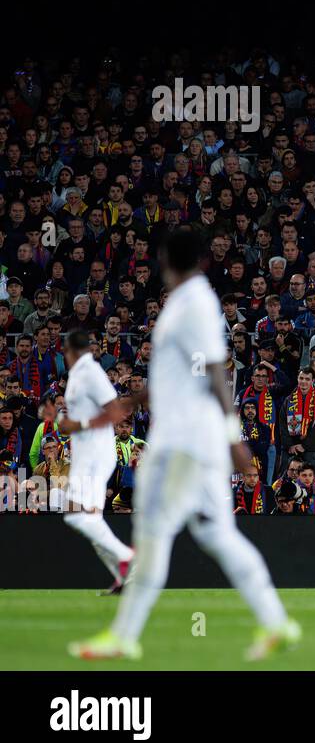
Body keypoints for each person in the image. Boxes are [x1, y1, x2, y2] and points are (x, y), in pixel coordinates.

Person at [68, 231, 300, 661]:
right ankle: (276, 621)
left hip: (181, 441)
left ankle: (123, 636)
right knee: (216, 532)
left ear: (164, 260)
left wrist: (235, 437)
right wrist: (131, 402)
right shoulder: (194, 302)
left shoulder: (191, 304)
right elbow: (180, 378)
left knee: (153, 532)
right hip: (198, 439)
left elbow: (215, 372)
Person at [56, 329, 134, 594]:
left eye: (65, 350)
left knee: (74, 516)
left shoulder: (91, 373)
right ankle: (124, 579)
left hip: (96, 455)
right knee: (91, 521)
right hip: (85, 455)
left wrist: (77, 423)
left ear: (73, 351)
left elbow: (115, 411)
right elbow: (72, 424)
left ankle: (127, 556)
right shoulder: (77, 375)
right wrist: (58, 421)